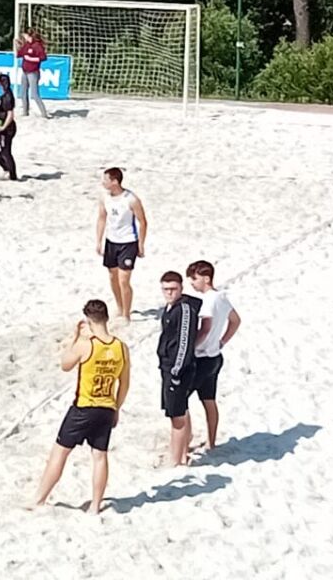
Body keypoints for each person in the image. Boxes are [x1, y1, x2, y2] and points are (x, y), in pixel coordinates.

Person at [29, 299, 130, 514]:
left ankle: (39, 498)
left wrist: (75, 337)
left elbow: (65, 364)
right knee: (100, 456)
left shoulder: (87, 344)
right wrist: (117, 408)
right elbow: (124, 383)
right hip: (106, 407)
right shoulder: (121, 347)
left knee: (59, 452)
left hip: (84, 407)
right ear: (106, 318)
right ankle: (95, 505)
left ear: (88, 320)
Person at [186, 260, 242, 453]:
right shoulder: (222, 297)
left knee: (181, 400)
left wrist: (191, 347)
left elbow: (205, 329)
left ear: (206, 278)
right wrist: (222, 341)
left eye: (194, 278)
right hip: (215, 356)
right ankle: (211, 441)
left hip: (201, 358)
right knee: (209, 399)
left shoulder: (208, 301)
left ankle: (185, 441)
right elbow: (235, 321)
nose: (192, 282)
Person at [157, 270, 209, 469]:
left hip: (178, 369)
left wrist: (176, 371)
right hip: (168, 366)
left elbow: (184, 343)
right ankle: (180, 451)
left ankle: (178, 459)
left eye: (173, 289)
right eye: (166, 289)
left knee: (177, 416)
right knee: (179, 411)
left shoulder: (185, 310)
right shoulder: (170, 307)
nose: (169, 293)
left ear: (181, 288)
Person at [94, 168, 149, 322]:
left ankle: (126, 314)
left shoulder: (131, 199)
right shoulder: (104, 198)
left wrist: (141, 244)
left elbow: (143, 222)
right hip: (111, 241)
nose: (103, 182)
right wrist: (99, 241)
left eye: (106, 180)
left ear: (115, 181)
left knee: (124, 280)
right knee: (113, 277)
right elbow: (102, 218)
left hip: (128, 242)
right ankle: (120, 307)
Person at [16, 28, 51, 118]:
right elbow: (19, 54)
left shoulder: (37, 45)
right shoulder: (27, 44)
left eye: (25, 36)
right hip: (25, 71)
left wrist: (31, 59)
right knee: (23, 92)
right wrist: (18, 46)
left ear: (29, 36)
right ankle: (25, 112)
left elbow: (43, 57)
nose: (24, 37)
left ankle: (44, 113)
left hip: (33, 72)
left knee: (34, 94)